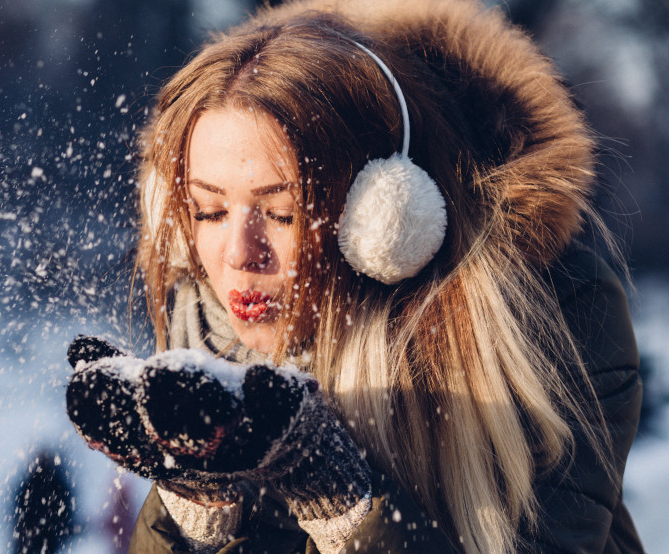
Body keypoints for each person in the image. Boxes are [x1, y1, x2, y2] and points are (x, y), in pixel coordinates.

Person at [65, 0, 644, 552]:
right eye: (209, 211)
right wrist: (197, 508)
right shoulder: (207, 329)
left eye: (282, 212)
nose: (240, 254)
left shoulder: (555, 319)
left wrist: (338, 499)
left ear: (385, 217)